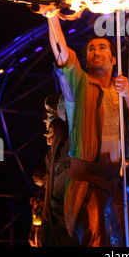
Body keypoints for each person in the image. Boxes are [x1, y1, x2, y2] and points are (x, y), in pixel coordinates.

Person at [35, 6, 129, 247]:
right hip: (86, 177)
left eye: (102, 47)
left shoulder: (121, 91)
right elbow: (62, 53)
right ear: (86, 58)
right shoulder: (79, 82)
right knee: (94, 239)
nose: (96, 52)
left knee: (128, 242)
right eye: (91, 49)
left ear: (113, 58)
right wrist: (52, 18)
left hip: (113, 177)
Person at [41, 93, 79, 247]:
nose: (47, 123)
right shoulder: (57, 143)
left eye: (50, 117)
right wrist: (46, 205)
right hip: (57, 203)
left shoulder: (74, 138)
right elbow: (50, 173)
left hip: (70, 201)